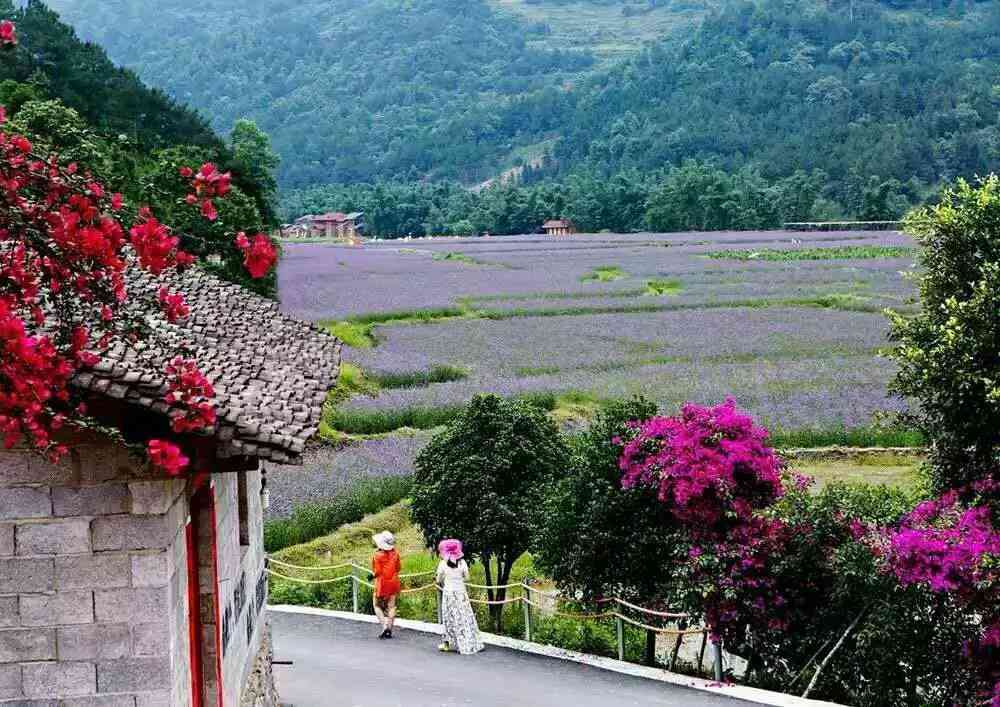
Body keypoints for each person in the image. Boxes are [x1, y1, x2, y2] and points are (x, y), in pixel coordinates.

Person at [435, 539, 483, 655]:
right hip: (461, 593)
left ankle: (447, 643)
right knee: (464, 617)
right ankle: (470, 642)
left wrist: (440, 579)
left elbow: (438, 579)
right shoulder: (462, 563)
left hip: (449, 594)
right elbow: (467, 578)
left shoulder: (442, 564)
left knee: (449, 618)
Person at [371, 530, 401, 639]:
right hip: (393, 582)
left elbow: (377, 571)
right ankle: (389, 628)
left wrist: (372, 576)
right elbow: (398, 568)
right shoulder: (396, 553)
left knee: (376, 605)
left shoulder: (377, 555)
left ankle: (384, 626)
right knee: (392, 606)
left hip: (382, 583)